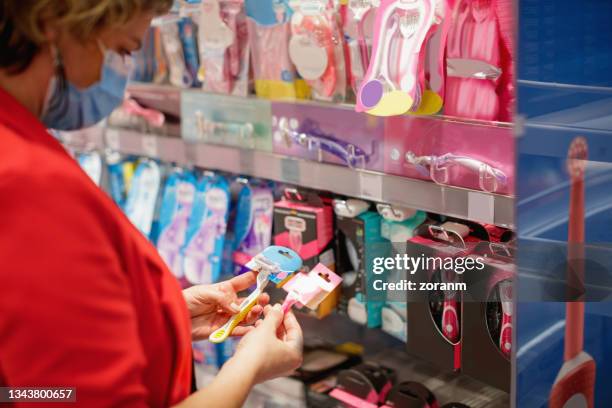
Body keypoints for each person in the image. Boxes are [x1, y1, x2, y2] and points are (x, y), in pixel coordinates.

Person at [0, 1, 303, 407]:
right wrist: (247, 367)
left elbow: (31, 387)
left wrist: (160, 318)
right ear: (50, 24)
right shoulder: (28, 185)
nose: (118, 81)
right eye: (123, 50)